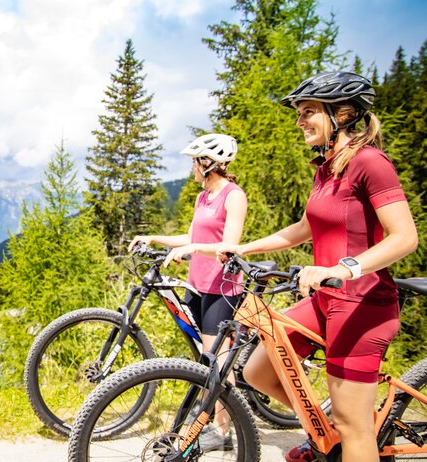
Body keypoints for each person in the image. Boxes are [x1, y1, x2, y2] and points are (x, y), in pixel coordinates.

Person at [216, 71, 418, 462]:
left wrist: (344, 268)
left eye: (308, 111)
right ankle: (327, 433)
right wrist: (243, 247)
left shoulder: (369, 162)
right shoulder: (326, 169)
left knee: (354, 430)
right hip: (328, 299)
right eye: (299, 113)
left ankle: (348, 431)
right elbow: (305, 228)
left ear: (341, 114)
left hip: (362, 303)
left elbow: (404, 237)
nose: (299, 120)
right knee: (258, 370)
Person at [128, 132, 248, 451]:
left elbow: (230, 246)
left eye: (194, 162)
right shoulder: (203, 197)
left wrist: (194, 246)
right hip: (196, 285)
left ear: (208, 163)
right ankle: (209, 413)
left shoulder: (232, 195)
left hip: (222, 288)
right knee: (202, 357)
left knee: (216, 363)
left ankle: (223, 433)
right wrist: (154, 238)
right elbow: (192, 236)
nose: (192, 168)